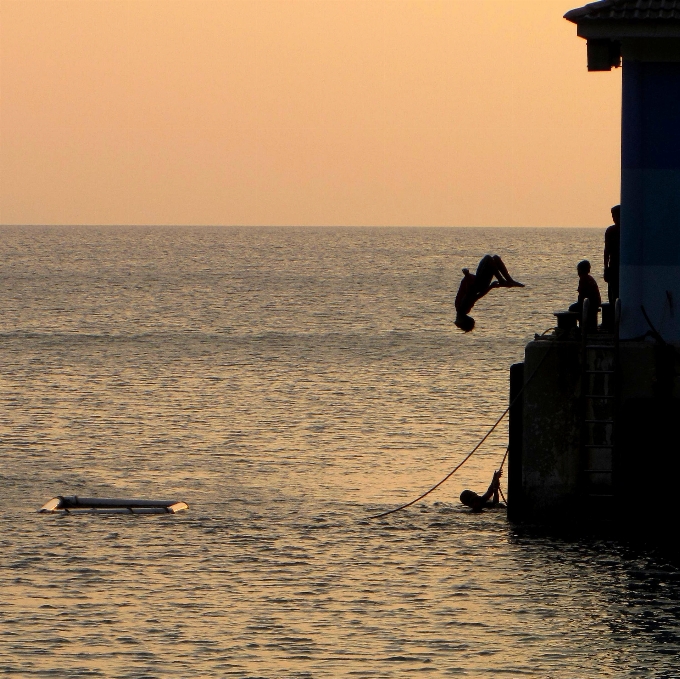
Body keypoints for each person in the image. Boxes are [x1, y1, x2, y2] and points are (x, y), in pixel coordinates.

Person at [454, 254, 525, 332]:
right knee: (489, 259)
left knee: (495, 258)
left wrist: (490, 287)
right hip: (479, 284)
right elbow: (470, 293)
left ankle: (508, 280)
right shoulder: (462, 308)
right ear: (463, 320)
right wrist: (467, 275)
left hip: (479, 283)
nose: (456, 320)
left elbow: (476, 297)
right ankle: (504, 280)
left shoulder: (462, 309)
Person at [569, 259, 601, 330]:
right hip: (595, 303)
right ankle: (583, 325)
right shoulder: (590, 278)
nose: (578, 273)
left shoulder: (583, 279)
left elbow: (581, 297)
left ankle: (575, 328)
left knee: (572, 309)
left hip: (590, 304)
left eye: (579, 270)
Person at [604, 205, 620, 304]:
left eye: (615, 216)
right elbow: (607, 251)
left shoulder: (627, 230)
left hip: (621, 265)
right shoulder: (610, 231)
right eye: (613, 216)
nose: (614, 219)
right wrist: (606, 268)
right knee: (612, 293)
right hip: (613, 266)